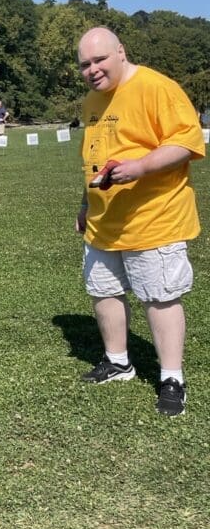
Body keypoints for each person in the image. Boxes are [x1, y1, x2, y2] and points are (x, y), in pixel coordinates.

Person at [75, 26, 204, 416]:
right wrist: (85, 203)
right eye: (85, 64)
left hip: (154, 217)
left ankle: (171, 377)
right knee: (103, 290)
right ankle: (118, 361)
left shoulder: (156, 87)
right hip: (104, 221)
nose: (93, 69)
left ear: (121, 52)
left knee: (160, 296)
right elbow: (93, 156)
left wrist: (141, 167)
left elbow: (187, 141)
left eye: (99, 60)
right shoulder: (91, 102)